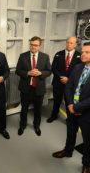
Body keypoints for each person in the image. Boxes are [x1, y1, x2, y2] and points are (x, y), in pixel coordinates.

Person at [52, 42, 90, 173]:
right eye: (83, 51)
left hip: (86, 113)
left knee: (88, 139)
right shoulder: (78, 68)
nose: (83, 54)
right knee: (70, 132)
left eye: (87, 52)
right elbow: (69, 87)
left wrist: (78, 108)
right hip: (71, 108)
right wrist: (69, 105)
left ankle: (87, 164)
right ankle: (68, 151)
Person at [16, 36, 51, 136]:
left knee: (37, 109)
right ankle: (22, 125)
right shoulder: (23, 56)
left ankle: (36, 125)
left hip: (39, 88)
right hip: (26, 88)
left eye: (35, 45)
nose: (33, 47)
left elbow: (49, 71)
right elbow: (18, 71)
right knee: (24, 109)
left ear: (40, 46)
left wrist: (40, 73)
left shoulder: (45, 57)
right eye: (31, 45)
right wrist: (28, 73)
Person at [47, 37, 81, 123]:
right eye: (68, 42)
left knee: (69, 102)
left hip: (71, 84)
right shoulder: (59, 54)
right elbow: (53, 68)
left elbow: (79, 71)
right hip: (58, 82)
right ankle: (54, 115)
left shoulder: (79, 56)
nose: (69, 44)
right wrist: (61, 77)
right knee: (56, 101)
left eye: (71, 43)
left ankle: (69, 118)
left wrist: (69, 79)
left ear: (75, 45)